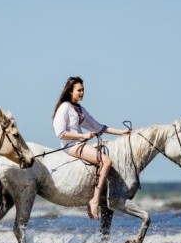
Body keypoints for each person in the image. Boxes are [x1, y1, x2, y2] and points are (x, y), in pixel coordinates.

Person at [51, 76, 131, 220]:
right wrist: (83, 136)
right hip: (70, 146)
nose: (82, 93)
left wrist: (122, 132)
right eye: (79, 90)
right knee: (106, 161)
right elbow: (60, 133)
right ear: (70, 91)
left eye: (83, 90)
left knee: (105, 150)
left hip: (80, 143)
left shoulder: (80, 110)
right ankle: (94, 200)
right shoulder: (64, 107)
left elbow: (99, 127)